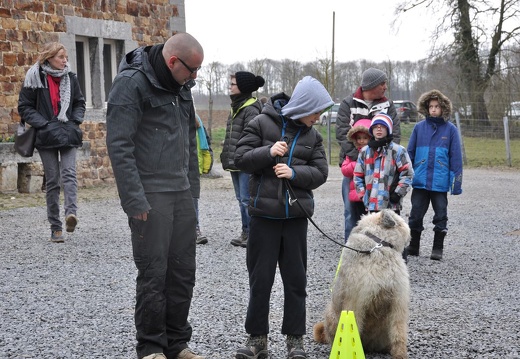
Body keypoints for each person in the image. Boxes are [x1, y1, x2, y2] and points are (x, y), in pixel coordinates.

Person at [106, 33, 205, 359]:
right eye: (192, 70)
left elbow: (189, 143)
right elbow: (120, 145)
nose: (195, 78)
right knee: (154, 273)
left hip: (180, 194)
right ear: (173, 61)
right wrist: (134, 200)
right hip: (150, 198)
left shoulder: (183, 88)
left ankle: (177, 343)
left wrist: (193, 193)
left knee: (183, 273)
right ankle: (151, 347)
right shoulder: (131, 84)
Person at [234, 76, 333, 359]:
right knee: (260, 280)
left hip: (295, 220)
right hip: (263, 218)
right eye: (316, 111)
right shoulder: (261, 123)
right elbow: (239, 157)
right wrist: (268, 152)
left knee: (295, 281)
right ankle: (256, 341)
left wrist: (294, 174)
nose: (318, 117)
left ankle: (295, 342)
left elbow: (321, 173)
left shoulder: (313, 136)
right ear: (304, 106)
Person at [18, 42, 85, 243]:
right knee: (53, 180)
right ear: (49, 58)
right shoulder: (35, 77)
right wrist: (45, 124)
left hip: (68, 133)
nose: (65, 61)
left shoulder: (71, 77)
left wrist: (74, 121)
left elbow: (79, 103)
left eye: (66, 57)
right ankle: (56, 227)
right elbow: (25, 107)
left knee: (69, 173)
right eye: (61, 57)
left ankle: (70, 215)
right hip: (47, 135)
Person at [336, 67, 399, 242]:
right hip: (353, 168)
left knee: (379, 213)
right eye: (382, 83)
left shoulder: (388, 106)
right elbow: (343, 135)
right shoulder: (348, 104)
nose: (385, 87)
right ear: (371, 85)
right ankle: (351, 247)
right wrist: (362, 162)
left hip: (381, 171)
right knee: (351, 212)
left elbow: (396, 135)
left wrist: (381, 162)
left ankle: (377, 246)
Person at [406, 89, 463, 260]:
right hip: (420, 180)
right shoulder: (418, 128)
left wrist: (456, 183)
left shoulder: (450, 130)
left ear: (443, 108)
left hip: (439, 182)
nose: (433, 109)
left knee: (440, 214)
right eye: (430, 106)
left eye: (437, 106)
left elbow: (456, 157)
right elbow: (409, 153)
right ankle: (414, 245)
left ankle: (437, 248)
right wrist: (407, 174)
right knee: (416, 214)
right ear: (426, 107)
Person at [220, 71, 265, 248]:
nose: (230, 87)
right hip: (236, 162)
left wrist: (242, 156)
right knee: (241, 199)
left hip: (246, 162)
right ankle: (246, 231)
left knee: (247, 199)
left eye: (233, 84)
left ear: (243, 87)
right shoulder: (237, 106)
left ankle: (252, 234)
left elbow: (251, 138)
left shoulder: (251, 109)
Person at [353, 113, 413, 215]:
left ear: (388, 129)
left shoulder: (398, 151)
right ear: (372, 130)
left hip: (391, 204)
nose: (379, 129)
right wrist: (363, 195)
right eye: (376, 127)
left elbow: (408, 173)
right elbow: (358, 175)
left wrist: (398, 193)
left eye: (382, 126)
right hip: (372, 203)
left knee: (391, 230)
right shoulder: (364, 152)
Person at [340, 119, 371, 235]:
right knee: (354, 219)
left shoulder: (374, 153)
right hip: (355, 193)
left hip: (370, 193)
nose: (362, 141)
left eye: (365, 138)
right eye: (359, 138)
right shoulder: (352, 155)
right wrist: (357, 165)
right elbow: (345, 170)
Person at [193, 112, 213, 245]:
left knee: (193, 199)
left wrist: (206, 164)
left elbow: (205, 144)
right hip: (176, 166)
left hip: (194, 167)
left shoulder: (196, 120)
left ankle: (195, 229)